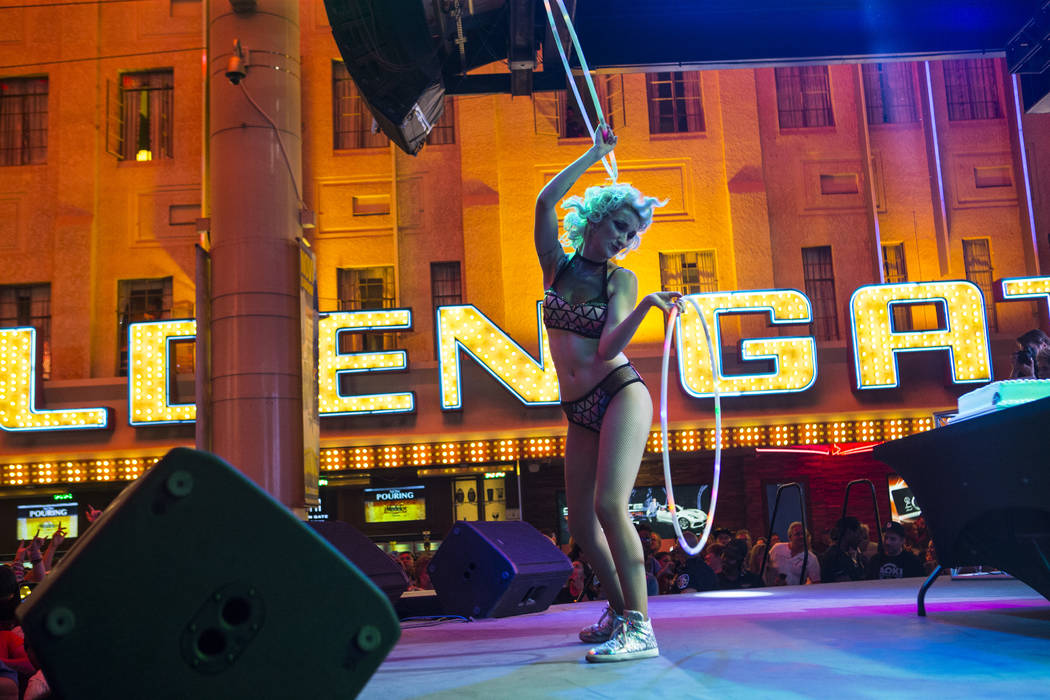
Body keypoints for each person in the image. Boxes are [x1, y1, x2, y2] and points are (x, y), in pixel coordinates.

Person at [535, 124, 678, 663]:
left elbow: (605, 348)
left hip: (619, 391)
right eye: (619, 226)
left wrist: (644, 308)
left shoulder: (621, 279)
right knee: (581, 523)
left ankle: (641, 629)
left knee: (609, 504)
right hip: (579, 410)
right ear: (596, 218)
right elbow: (546, 199)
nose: (623, 239)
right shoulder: (557, 265)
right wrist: (595, 152)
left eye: (630, 234)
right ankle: (622, 614)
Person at [820, 516, 867, 583]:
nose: (861, 538)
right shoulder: (833, 556)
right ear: (849, 532)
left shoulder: (854, 554)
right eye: (858, 533)